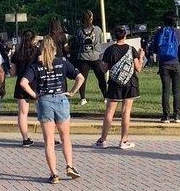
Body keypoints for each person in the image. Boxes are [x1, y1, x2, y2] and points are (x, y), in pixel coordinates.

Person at [19, 31, 83, 182]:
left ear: (41, 50)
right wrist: (72, 92)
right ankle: (69, 165)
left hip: (44, 101)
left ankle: (54, 174)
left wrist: (34, 95)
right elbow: (80, 77)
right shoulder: (62, 63)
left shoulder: (37, 66)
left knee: (49, 141)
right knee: (65, 137)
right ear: (54, 49)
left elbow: (23, 82)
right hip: (61, 99)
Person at [96, 25, 144, 148]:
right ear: (125, 35)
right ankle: (124, 140)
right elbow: (138, 68)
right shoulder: (131, 49)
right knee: (126, 112)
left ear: (113, 36)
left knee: (109, 112)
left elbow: (104, 69)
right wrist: (141, 56)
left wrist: (101, 61)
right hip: (130, 83)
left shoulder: (109, 50)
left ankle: (103, 140)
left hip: (114, 84)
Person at [151, 13, 180, 124]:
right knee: (176, 91)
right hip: (176, 63)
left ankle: (166, 116)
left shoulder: (159, 32)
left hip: (164, 65)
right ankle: (177, 115)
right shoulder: (179, 32)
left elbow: (155, 50)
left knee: (165, 90)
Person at [10, 30, 39, 145]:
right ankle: (50, 136)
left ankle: (25, 138)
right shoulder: (37, 51)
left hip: (21, 84)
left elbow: (13, 72)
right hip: (35, 83)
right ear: (33, 39)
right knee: (42, 112)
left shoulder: (17, 53)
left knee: (22, 113)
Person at [74, 11, 107, 104]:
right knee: (101, 77)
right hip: (95, 56)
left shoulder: (79, 30)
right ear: (91, 18)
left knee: (82, 78)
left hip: (83, 57)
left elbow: (78, 43)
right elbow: (100, 41)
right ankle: (105, 96)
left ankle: (83, 98)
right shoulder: (97, 29)